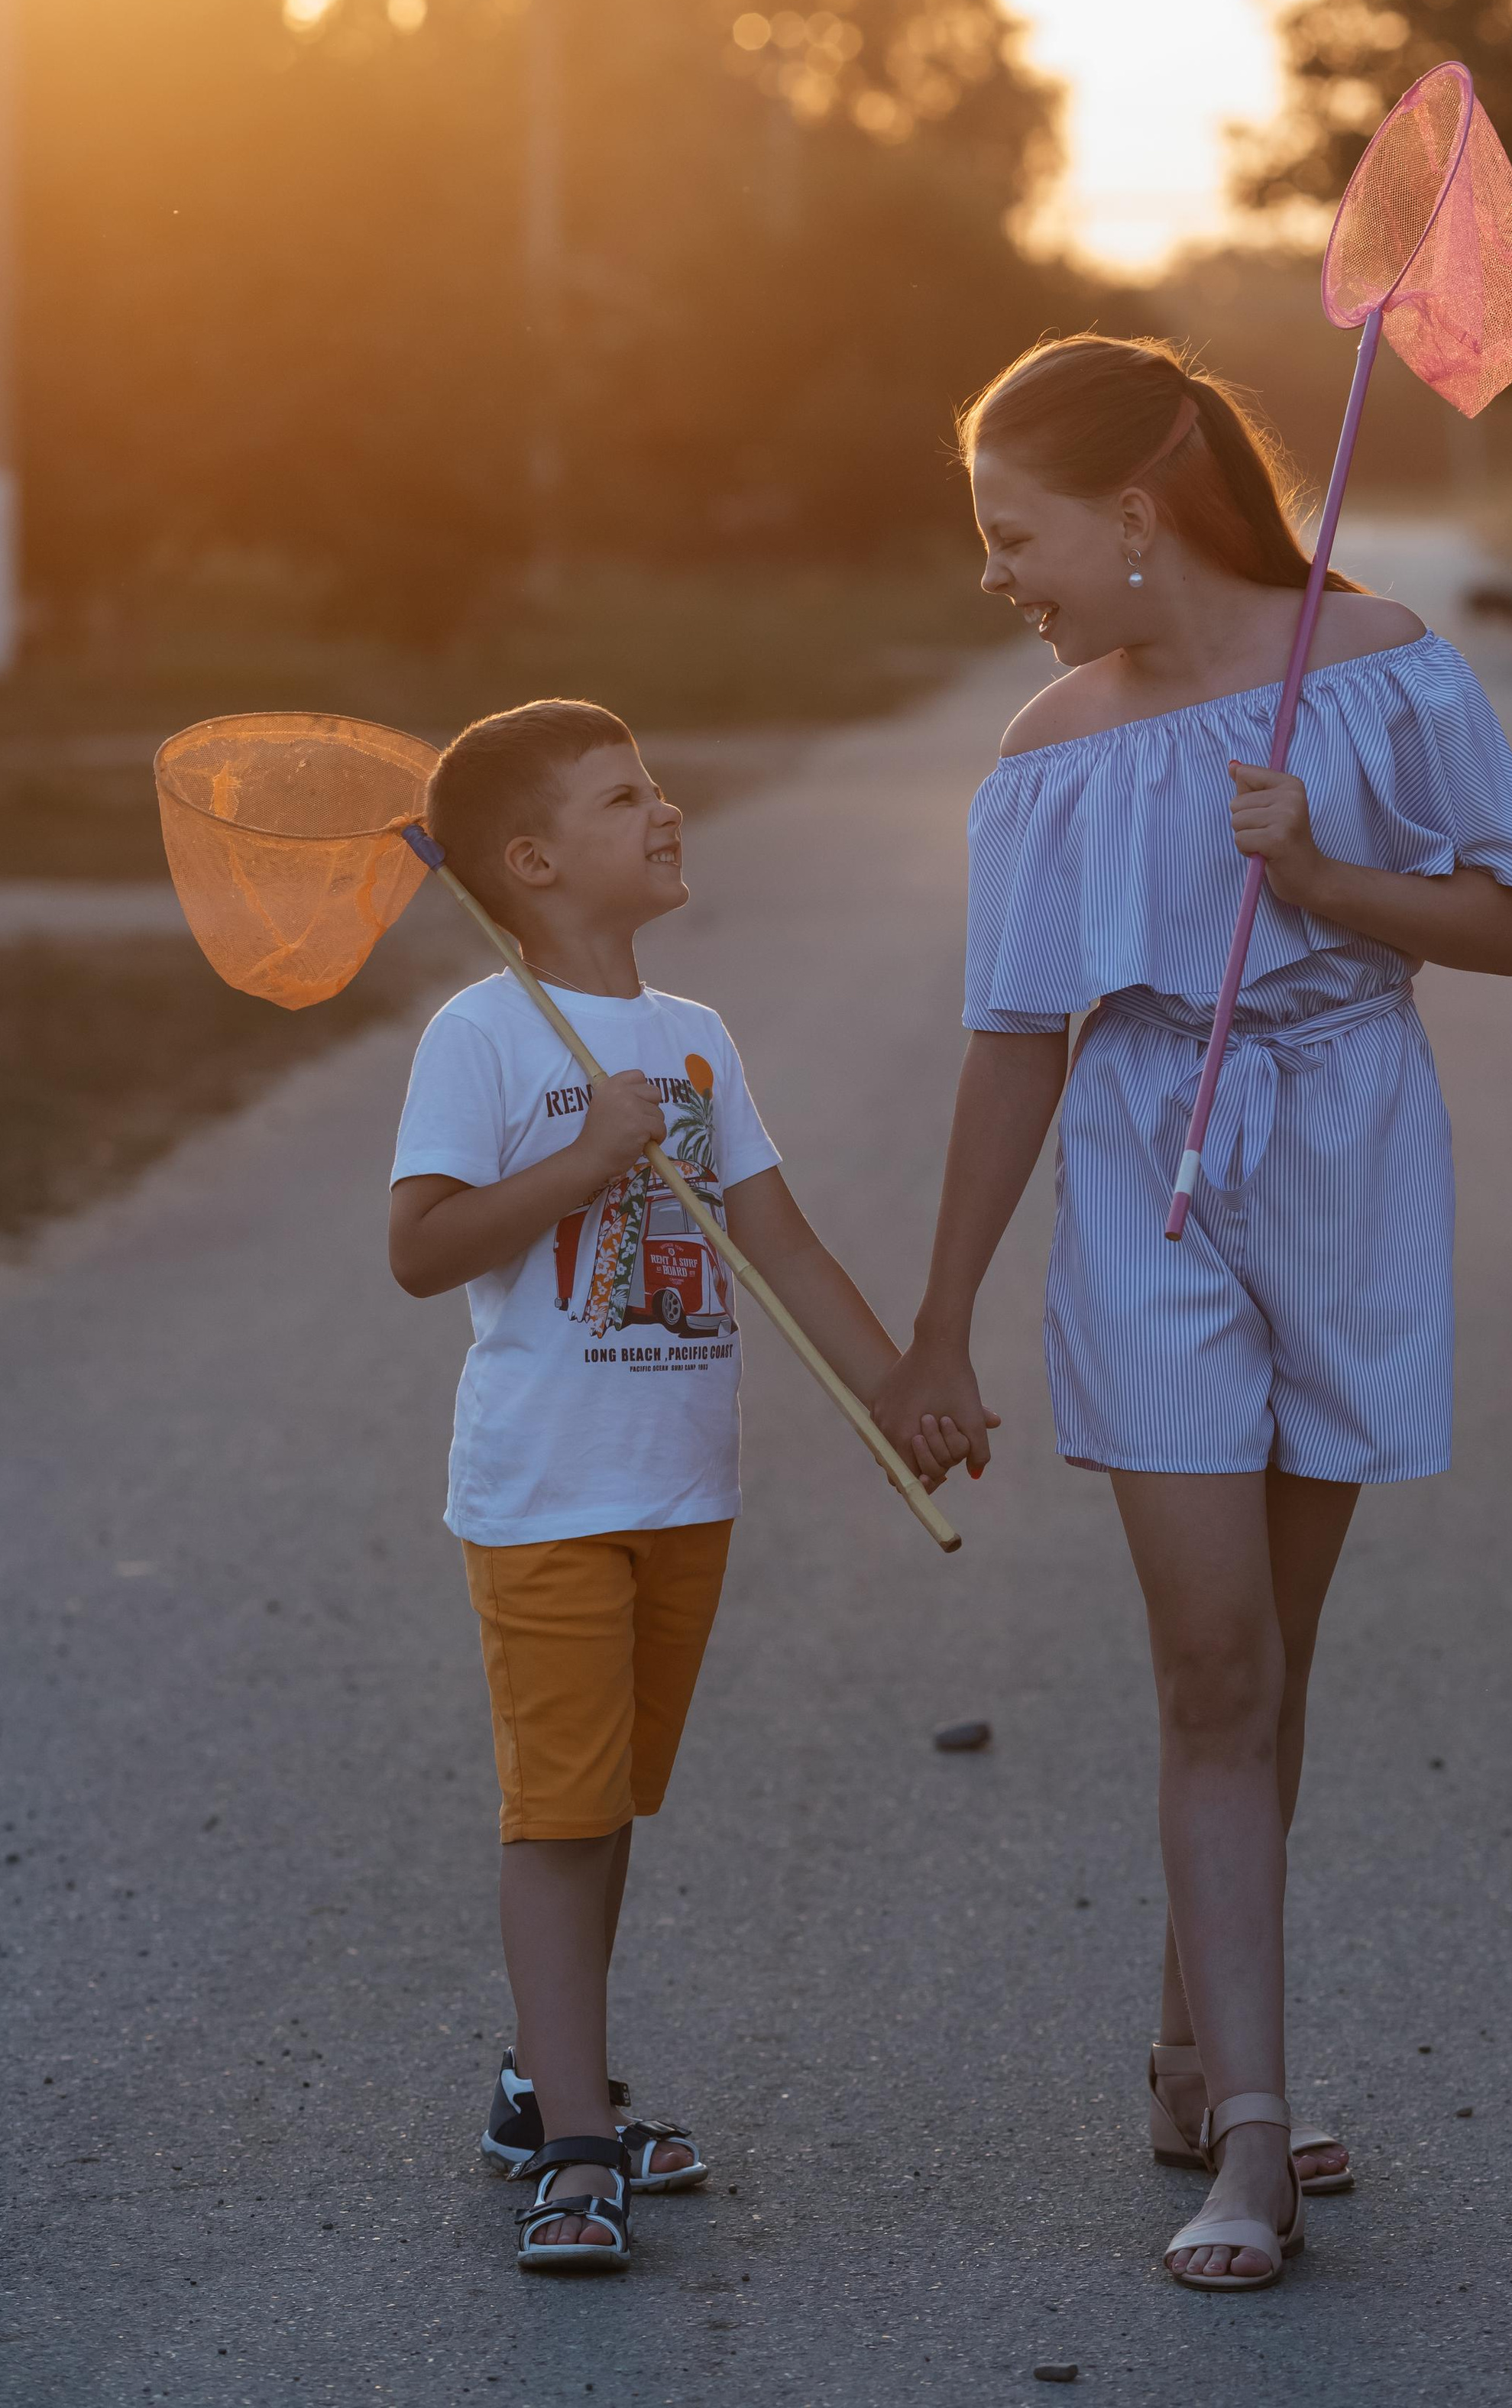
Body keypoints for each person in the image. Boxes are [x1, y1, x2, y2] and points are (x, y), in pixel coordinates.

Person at [873, 336, 1512, 2291]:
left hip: (1347, 1155)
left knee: (1271, 1657)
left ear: (1133, 513)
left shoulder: (1383, 667)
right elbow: (1015, 1038)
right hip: (1146, 1168)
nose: (994, 573)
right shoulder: (1048, 750)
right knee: (1208, 1660)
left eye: (1012, 533)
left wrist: (1321, 874)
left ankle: (1194, 2058)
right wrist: (940, 1324)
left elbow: (1505, 924)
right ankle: (1251, 2135)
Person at [390, 699, 911, 2274]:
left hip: (682, 1487)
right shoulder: (483, 1033)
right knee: (557, 1814)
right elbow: (421, 1249)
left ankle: (547, 2084)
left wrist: (895, 1393)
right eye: (623, 800)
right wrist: (582, 1161)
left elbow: (778, 1239)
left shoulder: (695, 1036)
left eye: (656, 787)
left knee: (607, 1801)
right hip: (548, 1489)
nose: (665, 811)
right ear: (532, 862)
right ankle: (573, 2143)